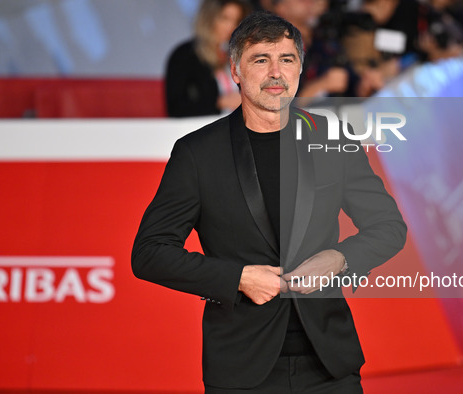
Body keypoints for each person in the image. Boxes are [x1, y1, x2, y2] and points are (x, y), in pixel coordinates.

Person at [132, 11, 407, 393]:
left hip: (330, 361)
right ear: (236, 71)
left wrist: (341, 258)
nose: (276, 73)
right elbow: (149, 252)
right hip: (242, 367)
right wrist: (239, 278)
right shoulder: (197, 153)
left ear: (300, 69)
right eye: (261, 60)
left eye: (287, 59)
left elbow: (389, 227)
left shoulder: (332, 139)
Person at [164, 0, 251, 117]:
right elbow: (177, 108)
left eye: (236, 21)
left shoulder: (239, 54)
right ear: (209, 18)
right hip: (205, 130)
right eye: (224, 18)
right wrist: (221, 102)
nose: (231, 27)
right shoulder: (185, 55)